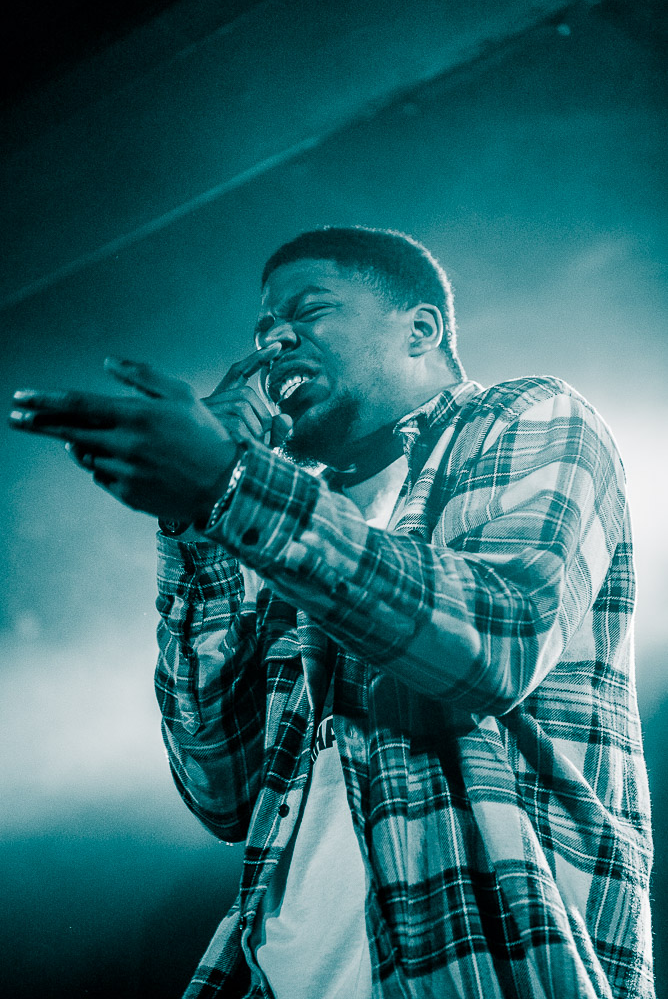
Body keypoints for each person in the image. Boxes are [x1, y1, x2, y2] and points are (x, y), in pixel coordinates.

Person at [9, 226, 654, 998]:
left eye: (308, 311)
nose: (275, 337)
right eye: (262, 327)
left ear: (421, 329)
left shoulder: (528, 415)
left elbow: (496, 641)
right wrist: (193, 522)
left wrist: (231, 484)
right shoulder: (284, 520)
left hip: (490, 964)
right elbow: (223, 792)